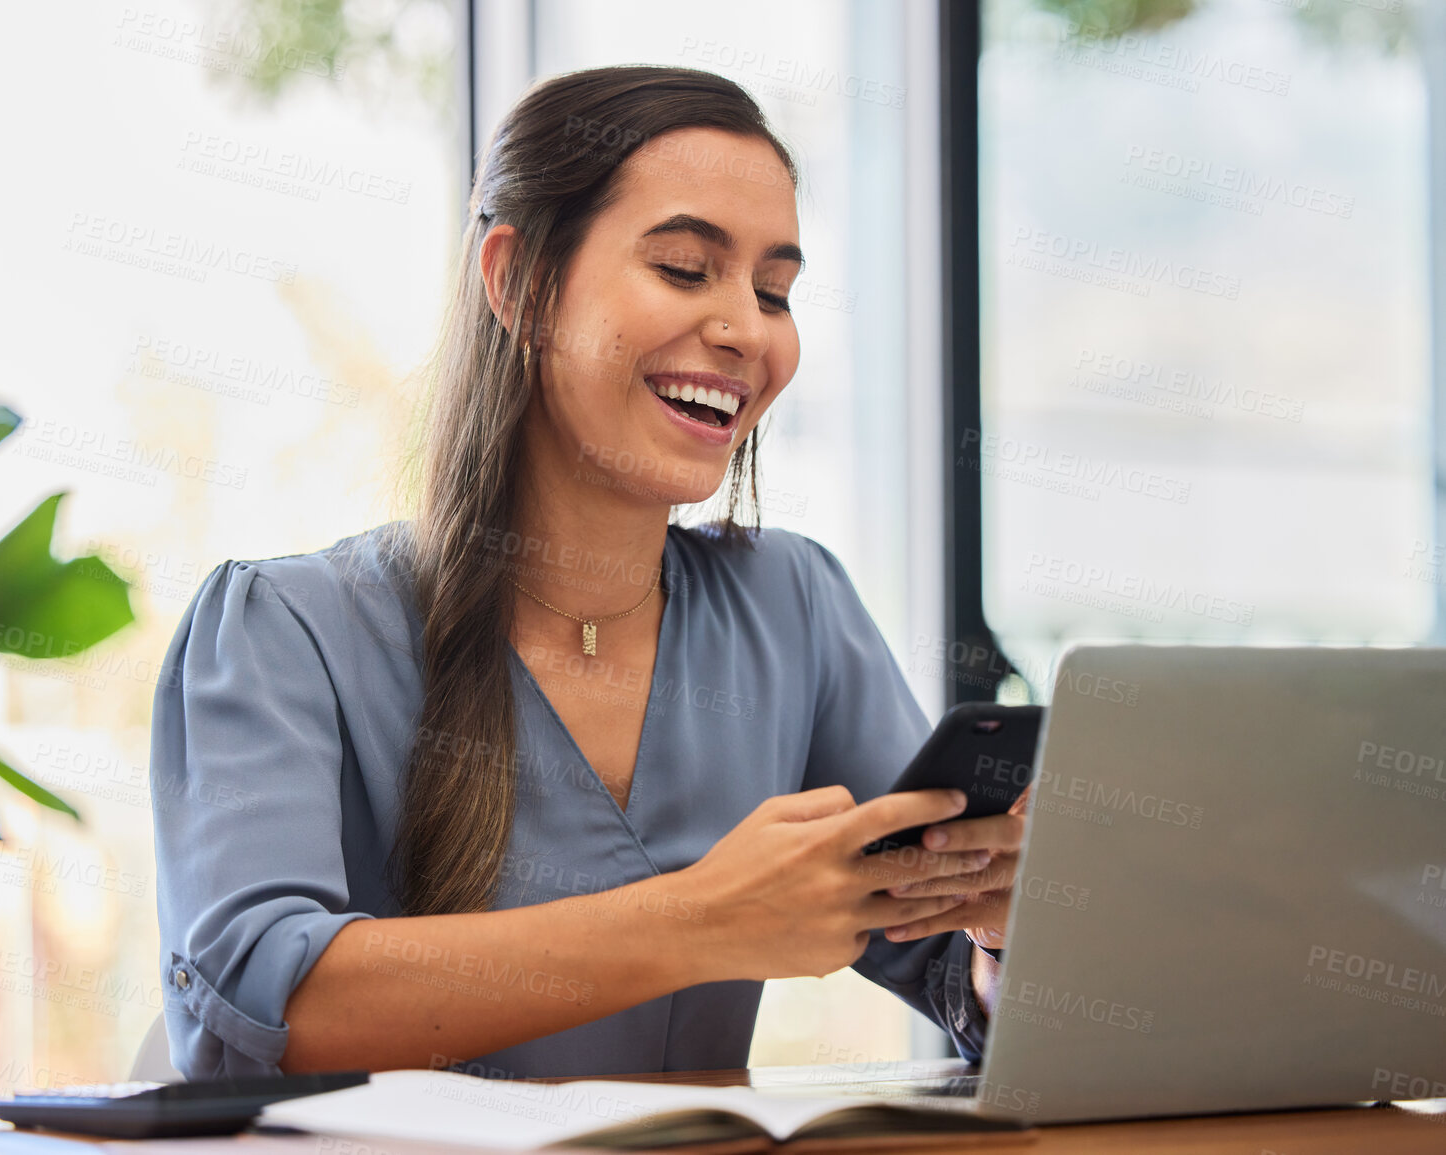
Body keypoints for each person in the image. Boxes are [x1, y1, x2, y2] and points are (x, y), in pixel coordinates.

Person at [149, 64, 1026, 1082]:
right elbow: (252, 1014)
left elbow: (950, 966)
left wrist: (1002, 932)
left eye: (775, 290)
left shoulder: (794, 609)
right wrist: (704, 920)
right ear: (518, 280)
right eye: (689, 270)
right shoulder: (284, 634)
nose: (747, 328)